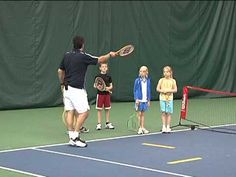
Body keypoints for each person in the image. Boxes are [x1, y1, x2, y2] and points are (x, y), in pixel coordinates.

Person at [58, 35, 118, 147]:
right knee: (84, 112)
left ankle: (71, 137)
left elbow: (60, 71)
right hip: (77, 90)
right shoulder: (83, 56)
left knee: (70, 111)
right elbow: (101, 60)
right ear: (82, 45)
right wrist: (110, 55)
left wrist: (62, 83)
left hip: (66, 89)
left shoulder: (66, 56)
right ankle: (76, 136)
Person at [156, 66, 177, 133]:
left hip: (169, 99)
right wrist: (162, 91)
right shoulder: (161, 80)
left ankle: (168, 126)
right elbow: (157, 89)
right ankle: (164, 126)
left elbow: (175, 90)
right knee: (163, 112)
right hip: (162, 98)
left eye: (167, 72)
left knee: (168, 113)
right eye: (164, 72)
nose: (165, 73)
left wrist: (169, 90)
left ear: (170, 73)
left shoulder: (173, 81)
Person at [94, 63, 114, 130]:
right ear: (100, 68)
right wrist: (99, 87)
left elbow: (111, 86)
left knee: (107, 109)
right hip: (100, 95)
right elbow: (95, 85)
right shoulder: (97, 76)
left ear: (107, 68)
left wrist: (108, 88)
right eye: (103, 67)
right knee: (99, 109)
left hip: (107, 95)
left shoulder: (109, 76)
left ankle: (107, 123)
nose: (104, 68)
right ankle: (99, 124)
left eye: (105, 66)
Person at [133, 66, 151, 134]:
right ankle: (139, 128)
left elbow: (149, 90)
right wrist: (136, 99)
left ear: (146, 72)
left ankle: (143, 127)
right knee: (139, 114)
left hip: (145, 100)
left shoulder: (148, 80)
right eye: (140, 71)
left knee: (143, 114)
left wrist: (148, 100)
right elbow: (135, 90)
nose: (142, 73)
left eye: (143, 71)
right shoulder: (137, 80)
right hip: (139, 100)